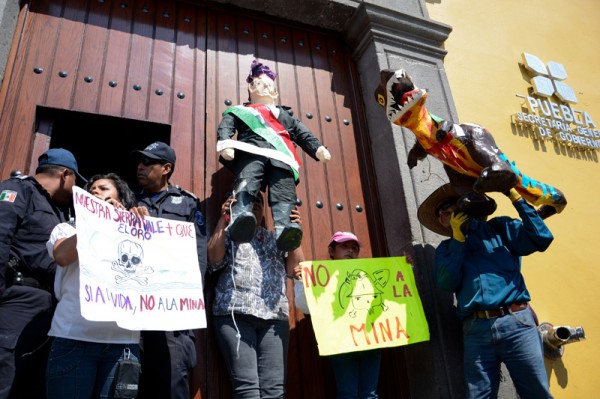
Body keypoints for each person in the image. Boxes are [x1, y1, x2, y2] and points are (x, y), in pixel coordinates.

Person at [417, 183, 554, 399]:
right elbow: (446, 283)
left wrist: (514, 195)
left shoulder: (499, 228)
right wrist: (459, 241)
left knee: (536, 392)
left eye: (447, 206)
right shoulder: (446, 248)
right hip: (475, 329)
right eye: (439, 213)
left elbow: (541, 237)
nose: (443, 213)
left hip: (516, 322)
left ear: (464, 206)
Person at [216, 59, 331, 251]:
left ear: (275, 92)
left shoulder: (286, 116)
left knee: (284, 190)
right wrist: (225, 144)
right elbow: (226, 126)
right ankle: (240, 216)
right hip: (252, 154)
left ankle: (285, 227)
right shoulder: (240, 111)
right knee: (247, 182)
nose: (262, 87)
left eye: (267, 84)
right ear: (250, 88)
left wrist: (318, 148)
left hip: (282, 159)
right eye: (258, 83)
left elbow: (303, 134)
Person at [45, 173, 141, 399]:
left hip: (123, 345)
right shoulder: (66, 229)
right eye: (92, 189)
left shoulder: (136, 234)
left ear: (121, 199)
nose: (95, 191)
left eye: (104, 188)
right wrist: (96, 221)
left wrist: (134, 225)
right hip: (74, 339)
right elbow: (62, 256)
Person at [0, 148, 85, 399]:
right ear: (65, 175)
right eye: (76, 181)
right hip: (18, 301)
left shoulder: (61, 212)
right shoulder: (19, 189)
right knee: (6, 379)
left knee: (30, 385)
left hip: (47, 307)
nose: (76, 188)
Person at [207, 192, 304, 398]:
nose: (255, 204)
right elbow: (214, 260)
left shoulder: (278, 238)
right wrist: (223, 220)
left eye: (260, 201)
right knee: (247, 390)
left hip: (273, 319)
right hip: (235, 315)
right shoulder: (231, 233)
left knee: (274, 391)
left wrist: (294, 232)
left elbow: (296, 270)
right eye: (249, 200)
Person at [131, 141, 207, 399]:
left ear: (166, 168)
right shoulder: (128, 200)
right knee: (130, 383)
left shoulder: (187, 203)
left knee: (172, 384)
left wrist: (190, 299)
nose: (140, 167)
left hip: (171, 313)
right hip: (132, 310)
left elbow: (198, 253)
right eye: (139, 162)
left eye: (148, 162)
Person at [326, 232, 382, 399]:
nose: (350, 251)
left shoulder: (370, 275)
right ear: (331, 251)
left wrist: (406, 269)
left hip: (370, 340)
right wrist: (302, 280)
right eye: (344, 246)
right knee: (347, 394)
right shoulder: (320, 277)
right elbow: (304, 306)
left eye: (354, 248)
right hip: (340, 342)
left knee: (370, 395)